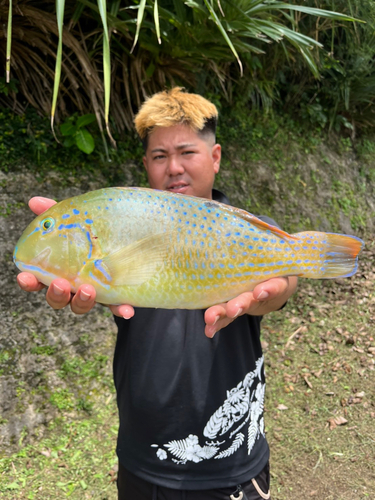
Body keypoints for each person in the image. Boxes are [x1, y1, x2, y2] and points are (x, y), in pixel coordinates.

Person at [17, 87, 298, 499]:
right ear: (146, 164)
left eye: (187, 152)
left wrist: (273, 291)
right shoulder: (123, 221)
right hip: (142, 457)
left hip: (233, 460)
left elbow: (282, 284)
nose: (174, 168)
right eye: (160, 156)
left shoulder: (251, 231)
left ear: (215, 157)